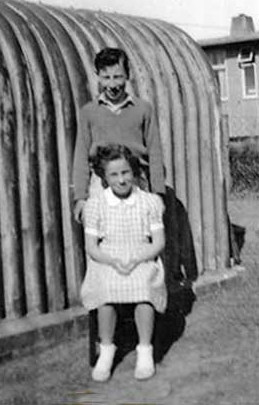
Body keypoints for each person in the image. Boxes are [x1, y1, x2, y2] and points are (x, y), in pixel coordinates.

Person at [81, 144, 167, 382]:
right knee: (106, 289)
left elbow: (158, 242)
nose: (121, 180)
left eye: (126, 173)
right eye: (114, 175)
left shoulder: (149, 202)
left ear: (134, 172)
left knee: (143, 286)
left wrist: (138, 259)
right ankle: (107, 351)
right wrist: (114, 262)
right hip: (107, 258)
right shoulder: (96, 205)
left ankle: (144, 350)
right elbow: (91, 247)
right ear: (105, 178)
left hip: (141, 254)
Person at [72, 47, 165, 223]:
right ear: (98, 76)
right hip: (101, 183)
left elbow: (155, 154)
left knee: (140, 236)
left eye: (118, 77)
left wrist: (158, 194)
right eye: (106, 78)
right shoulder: (88, 112)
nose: (113, 85)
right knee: (101, 238)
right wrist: (81, 197)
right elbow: (81, 157)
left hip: (136, 181)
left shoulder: (143, 110)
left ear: (128, 76)